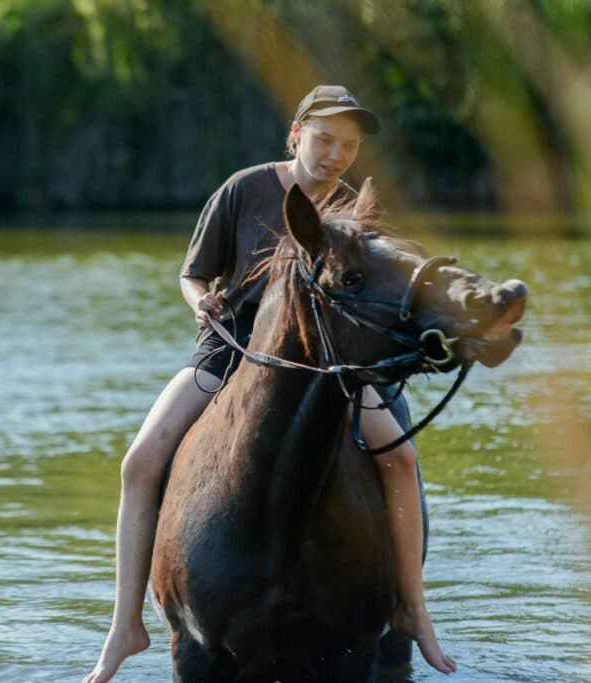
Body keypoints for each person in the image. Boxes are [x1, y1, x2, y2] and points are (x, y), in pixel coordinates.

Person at [83, 85, 456, 682]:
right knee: (141, 459)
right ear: (296, 134)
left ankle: (411, 608)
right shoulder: (243, 189)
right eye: (325, 139)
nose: (335, 155)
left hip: (325, 363)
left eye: (348, 146)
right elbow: (192, 274)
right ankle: (126, 624)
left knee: (400, 457)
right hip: (232, 351)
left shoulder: (353, 208)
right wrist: (201, 302)